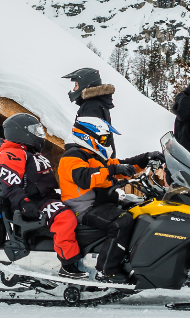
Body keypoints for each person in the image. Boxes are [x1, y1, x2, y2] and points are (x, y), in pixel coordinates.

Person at [57, 117, 157, 283]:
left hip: (99, 203)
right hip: (82, 209)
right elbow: (84, 178)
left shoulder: (93, 156)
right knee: (122, 220)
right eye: (103, 138)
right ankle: (107, 270)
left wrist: (145, 158)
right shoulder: (72, 156)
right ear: (87, 136)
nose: (106, 142)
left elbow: (120, 164)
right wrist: (113, 169)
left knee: (139, 209)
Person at [0, 113, 85, 279]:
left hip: (46, 198)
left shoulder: (30, 153)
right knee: (65, 218)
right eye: (34, 130)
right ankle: (68, 265)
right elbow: (11, 187)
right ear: (20, 132)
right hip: (32, 203)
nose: (38, 134)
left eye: (38, 130)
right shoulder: (12, 154)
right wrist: (25, 204)